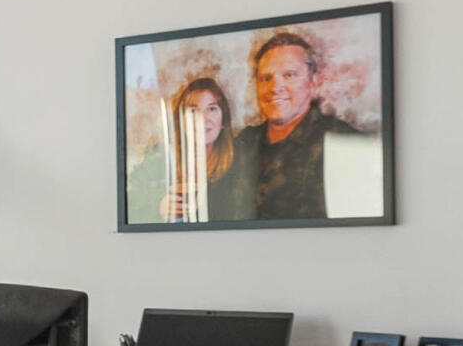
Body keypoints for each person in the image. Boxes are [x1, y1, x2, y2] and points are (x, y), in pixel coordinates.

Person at [219, 30, 351, 221]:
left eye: (289, 75)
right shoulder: (243, 143)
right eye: (266, 78)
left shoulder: (342, 141)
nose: (275, 88)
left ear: (314, 82)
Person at [130, 75, 240, 222]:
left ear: (223, 118)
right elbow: (131, 200)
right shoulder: (159, 157)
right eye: (193, 111)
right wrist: (157, 207)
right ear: (181, 120)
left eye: (212, 109)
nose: (202, 118)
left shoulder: (240, 159)